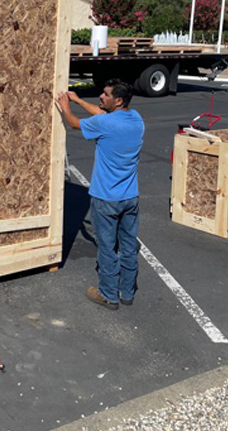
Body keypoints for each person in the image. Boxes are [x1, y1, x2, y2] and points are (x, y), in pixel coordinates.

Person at [56, 79, 144, 311]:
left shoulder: (105, 124)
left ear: (118, 100)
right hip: (130, 197)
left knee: (106, 248)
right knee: (127, 246)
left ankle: (107, 295)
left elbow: (75, 124)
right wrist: (78, 100)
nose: (101, 98)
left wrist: (66, 105)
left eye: (105, 95)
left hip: (106, 198)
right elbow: (100, 113)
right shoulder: (136, 119)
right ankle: (126, 292)